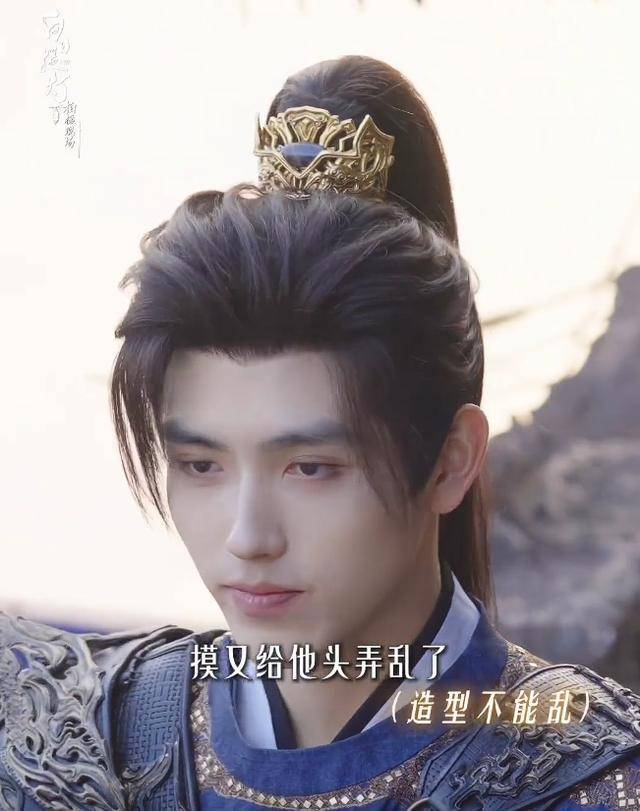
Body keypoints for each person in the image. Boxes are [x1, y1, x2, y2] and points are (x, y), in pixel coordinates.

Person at [1, 55, 639, 811]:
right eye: (201, 464)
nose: (247, 538)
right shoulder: (87, 736)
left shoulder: (589, 781)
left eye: (309, 467)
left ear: (450, 460)